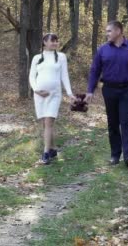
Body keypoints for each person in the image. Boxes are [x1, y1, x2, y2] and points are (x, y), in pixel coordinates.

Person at [85, 21, 128, 167]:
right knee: (113, 123)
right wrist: (90, 90)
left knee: (125, 122)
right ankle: (115, 154)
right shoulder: (103, 50)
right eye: (106, 31)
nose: (106, 34)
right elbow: (95, 71)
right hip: (109, 90)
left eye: (109, 31)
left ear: (119, 31)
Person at [29, 33, 76, 165]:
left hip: (54, 95)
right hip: (39, 95)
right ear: (44, 42)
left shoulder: (61, 57)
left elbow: (64, 76)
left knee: (49, 122)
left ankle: (45, 153)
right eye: (52, 41)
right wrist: (36, 90)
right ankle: (53, 148)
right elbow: (32, 77)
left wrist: (69, 93)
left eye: (57, 41)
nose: (55, 43)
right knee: (45, 124)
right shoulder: (37, 58)